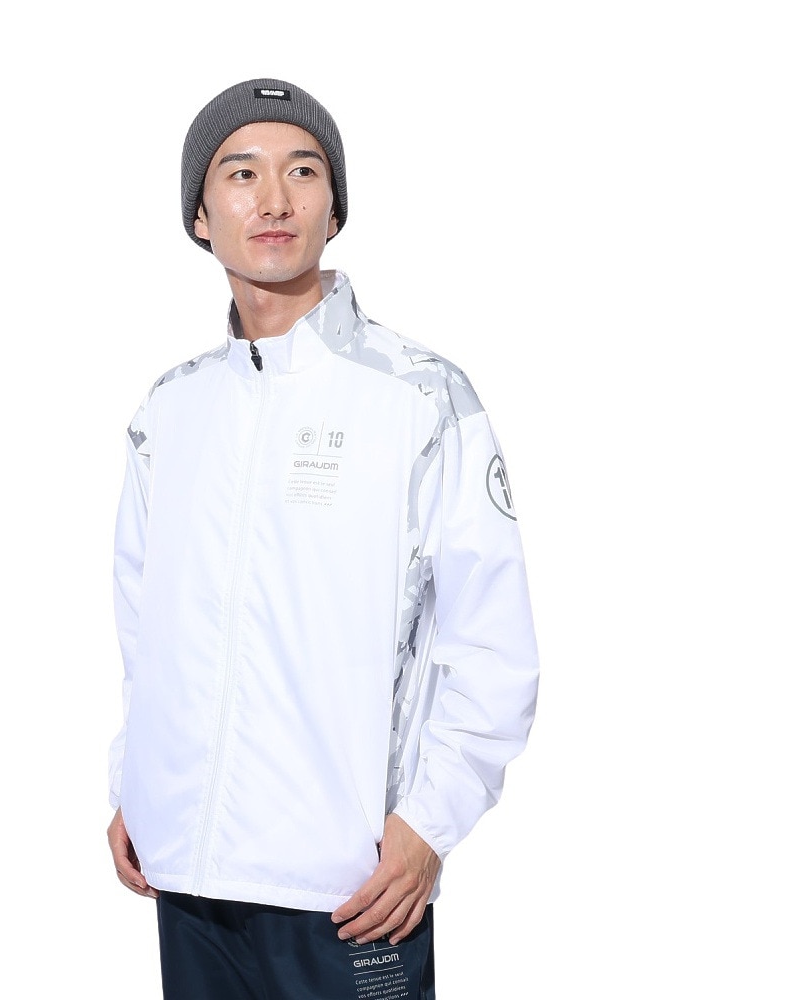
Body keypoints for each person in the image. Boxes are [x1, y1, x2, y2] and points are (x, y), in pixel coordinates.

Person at [106, 77, 539, 1000]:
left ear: (334, 210)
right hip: (186, 878)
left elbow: (492, 642)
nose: (274, 200)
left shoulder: (421, 395)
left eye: (303, 172)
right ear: (199, 216)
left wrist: (429, 826)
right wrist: (133, 785)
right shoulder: (170, 410)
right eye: (241, 174)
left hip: (349, 890)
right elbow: (147, 631)